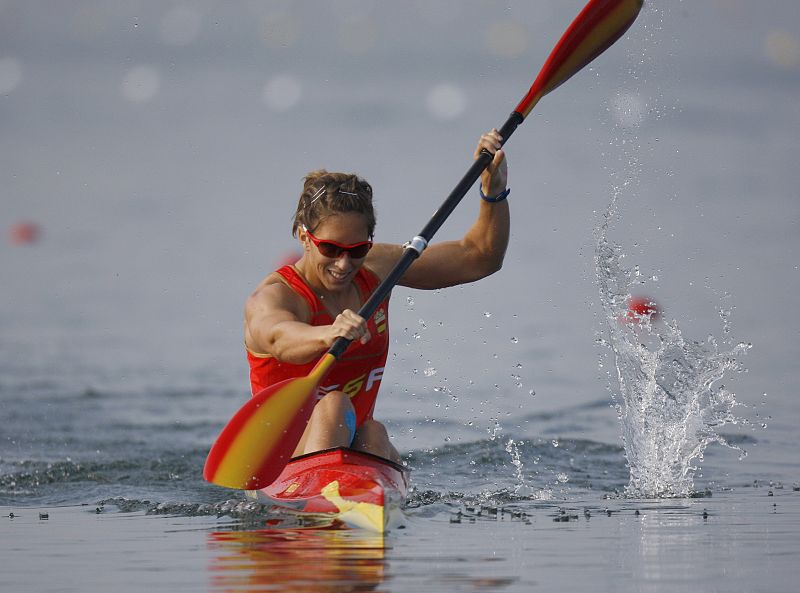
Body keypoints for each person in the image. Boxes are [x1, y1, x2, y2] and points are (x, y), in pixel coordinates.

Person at [244, 129, 509, 464]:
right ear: (304, 237)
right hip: (279, 462)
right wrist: (329, 332)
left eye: (357, 250)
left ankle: (358, 496)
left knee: (374, 432)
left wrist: (493, 192)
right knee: (335, 405)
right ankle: (331, 494)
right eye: (331, 249)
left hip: (352, 446)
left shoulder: (377, 269)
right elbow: (279, 337)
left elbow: (480, 257)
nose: (344, 264)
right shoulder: (274, 297)